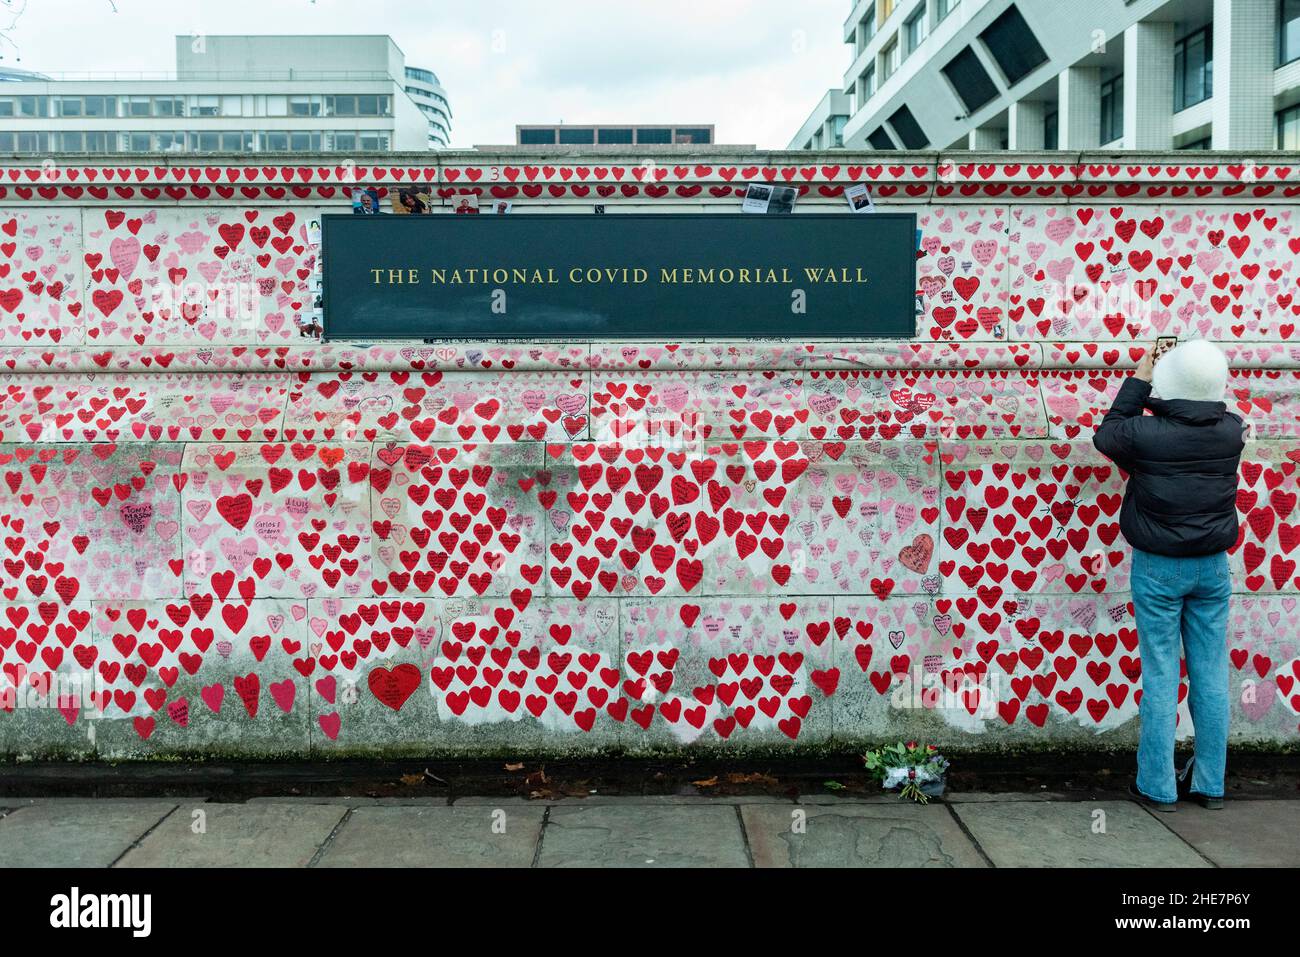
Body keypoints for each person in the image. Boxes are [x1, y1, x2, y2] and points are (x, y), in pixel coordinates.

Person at [1092, 339, 1245, 813]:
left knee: (1161, 674)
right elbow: (1205, 408)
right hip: (1211, 567)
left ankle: (1157, 786)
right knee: (1210, 675)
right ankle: (1210, 784)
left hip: (1158, 566)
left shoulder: (1143, 434)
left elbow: (1107, 432)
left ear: (1169, 382)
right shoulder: (1232, 431)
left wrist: (1142, 376)